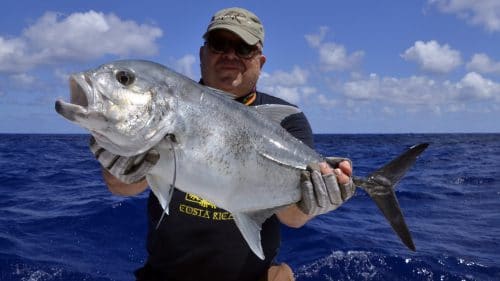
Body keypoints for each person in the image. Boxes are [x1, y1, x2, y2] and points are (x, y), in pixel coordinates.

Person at [91, 7, 355, 281]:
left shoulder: (287, 120)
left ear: (260, 62)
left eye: (243, 48)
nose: (230, 55)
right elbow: (121, 187)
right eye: (219, 45)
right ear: (203, 54)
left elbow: (293, 219)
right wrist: (121, 161)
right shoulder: (170, 106)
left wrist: (319, 197)